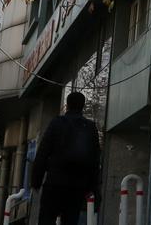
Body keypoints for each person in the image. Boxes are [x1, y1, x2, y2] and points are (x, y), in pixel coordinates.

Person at [31, 92, 102, 225]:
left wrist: (36, 180)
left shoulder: (57, 123)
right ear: (82, 106)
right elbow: (95, 159)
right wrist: (92, 187)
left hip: (55, 182)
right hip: (77, 186)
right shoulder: (90, 127)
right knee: (70, 219)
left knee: (47, 218)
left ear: (67, 105)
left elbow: (43, 152)